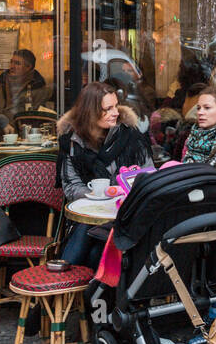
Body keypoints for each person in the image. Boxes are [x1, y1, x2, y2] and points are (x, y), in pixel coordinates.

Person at [56, 82, 151, 267]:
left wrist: (119, 194)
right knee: (92, 246)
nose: (115, 112)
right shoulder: (72, 142)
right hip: (91, 215)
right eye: (107, 109)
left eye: (115, 106)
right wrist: (100, 197)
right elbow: (71, 186)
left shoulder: (130, 136)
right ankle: (79, 290)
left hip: (126, 215)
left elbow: (146, 176)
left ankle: (60, 276)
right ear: (90, 112)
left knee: (92, 244)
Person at [0, 49, 53, 121]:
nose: (12, 66)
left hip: (22, 128)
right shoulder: (0, 83)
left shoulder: (38, 87)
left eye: (17, 63)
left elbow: (36, 117)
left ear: (28, 67)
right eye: (11, 62)